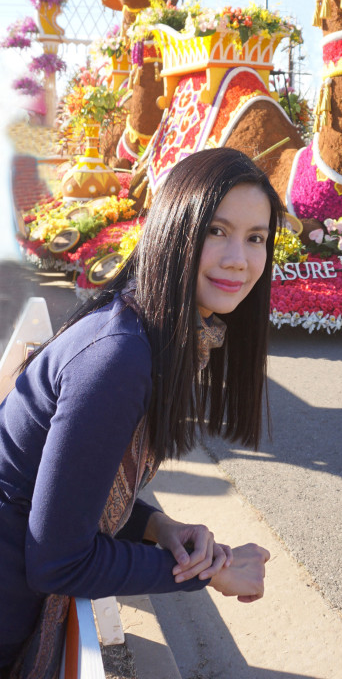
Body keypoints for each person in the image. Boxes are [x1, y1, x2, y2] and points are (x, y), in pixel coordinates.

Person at [0, 148, 280, 677]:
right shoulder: (119, 356)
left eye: (256, 237)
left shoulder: (147, 328)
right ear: (174, 231)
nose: (238, 258)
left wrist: (160, 525)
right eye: (216, 230)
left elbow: (80, 484)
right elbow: (58, 560)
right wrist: (210, 571)